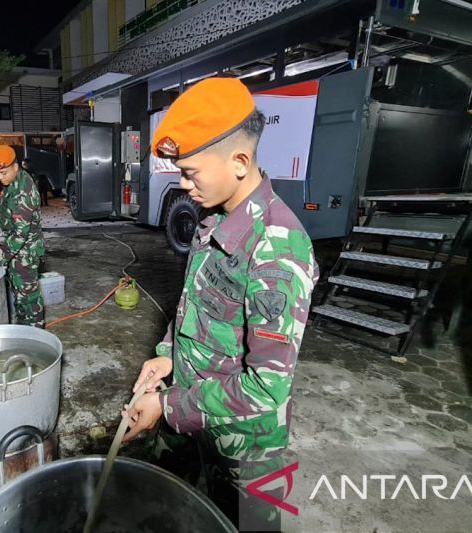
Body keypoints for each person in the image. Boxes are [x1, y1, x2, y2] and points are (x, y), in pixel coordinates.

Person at [121, 77, 318, 531]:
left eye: (190, 172)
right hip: (191, 410)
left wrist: (168, 407)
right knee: (167, 509)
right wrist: (167, 355)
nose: (183, 184)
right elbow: (195, 303)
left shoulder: (278, 251)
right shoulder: (214, 220)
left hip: (242, 445)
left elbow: (266, 390)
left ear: (240, 161)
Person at [0, 145, 46, 327]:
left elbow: (19, 235)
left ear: (16, 166)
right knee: (19, 295)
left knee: (29, 299)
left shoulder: (24, 192)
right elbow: (9, 215)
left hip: (25, 254)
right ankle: (23, 330)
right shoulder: (13, 183)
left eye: (4, 172)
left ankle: (37, 336)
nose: (1, 178)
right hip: (16, 254)